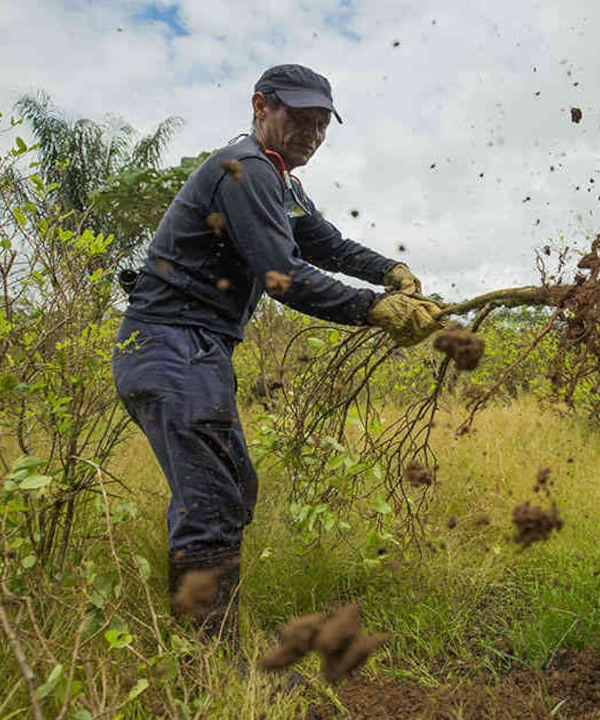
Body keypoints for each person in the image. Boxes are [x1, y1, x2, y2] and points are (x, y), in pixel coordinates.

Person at [112, 64, 442, 649]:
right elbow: (281, 275)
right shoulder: (245, 170)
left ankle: (212, 636)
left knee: (234, 489)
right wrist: (375, 308)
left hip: (195, 349)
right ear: (261, 106)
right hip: (170, 343)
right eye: (301, 118)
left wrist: (389, 271)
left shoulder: (280, 183)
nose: (312, 133)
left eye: (322, 124)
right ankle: (209, 662)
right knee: (211, 502)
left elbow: (326, 244)